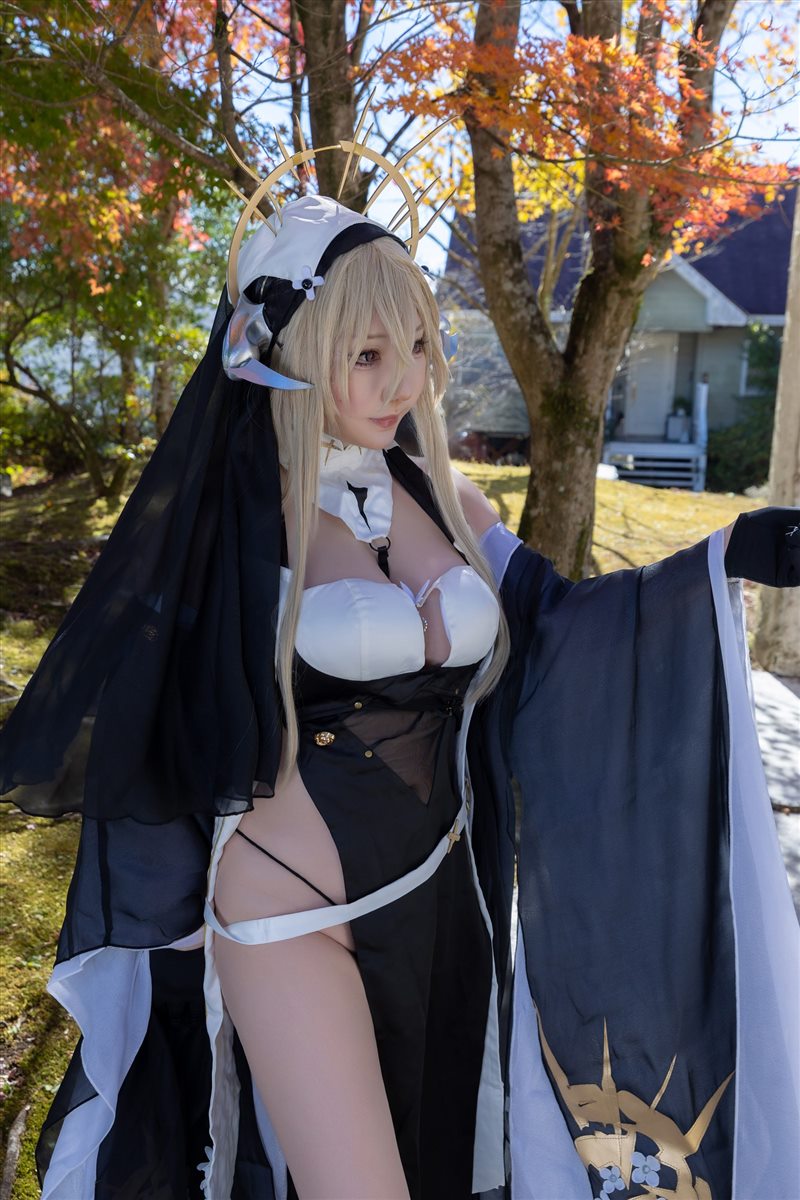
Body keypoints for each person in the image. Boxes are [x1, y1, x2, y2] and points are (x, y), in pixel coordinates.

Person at [1, 186, 798, 1200]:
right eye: (368, 353)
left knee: (444, 1174)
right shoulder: (231, 517)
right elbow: (146, 712)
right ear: (290, 349)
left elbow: (558, 619)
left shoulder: (434, 491)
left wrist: (722, 559)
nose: (405, 380)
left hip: (442, 894)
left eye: (417, 346)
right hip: (288, 910)